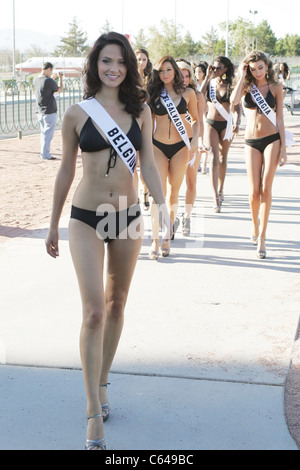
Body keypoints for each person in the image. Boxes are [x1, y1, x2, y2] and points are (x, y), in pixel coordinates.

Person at [45, 32, 172, 450]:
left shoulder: (141, 110)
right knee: (95, 312)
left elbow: (149, 164)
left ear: (128, 67)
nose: (113, 68)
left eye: (120, 62)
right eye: (105, 61)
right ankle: (92, 412)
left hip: (129, 217)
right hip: (85, 217)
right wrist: (52, 223)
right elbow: (65, 171)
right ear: (94, 65)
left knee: (118, 306)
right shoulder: (78, 114)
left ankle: (102, 381)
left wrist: (163, 207)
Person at [230, 50, 288, 259]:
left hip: (272, 139)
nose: (257, 72)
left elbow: (280, 119)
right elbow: (233, 101)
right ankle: (254, 225)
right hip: (251, 141)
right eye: (252, 69)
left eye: (260, 68)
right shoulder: (246, 87)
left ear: (267, 66)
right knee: (254, 191)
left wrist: (283, 148)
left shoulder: (275, 88)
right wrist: (241, 74)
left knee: (266, 187)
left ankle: (262, 236)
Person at [147, 55, 199, 258]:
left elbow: (196, 120)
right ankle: (154, 240)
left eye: (168, 70)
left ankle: (167, 237)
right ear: (157, 74)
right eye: (161, 71)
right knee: (156, 193)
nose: (165, 74)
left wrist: (195, 139)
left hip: (180, 147)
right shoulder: (152, 94)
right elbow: (147, 122)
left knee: (173, 193)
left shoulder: (188, 93)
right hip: (157, 146)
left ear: (175, 71)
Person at [201, 56, 241, 212]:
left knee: (223, 156)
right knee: (213, 157)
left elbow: (236, 107)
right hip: (211, 123)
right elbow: (200, 94)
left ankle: (221, 189)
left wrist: (237, 123)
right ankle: (214, 197)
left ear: (226, 68)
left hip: (226, 124)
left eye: (218, 67)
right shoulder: (210, 83)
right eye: (214, 67)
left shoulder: (232, 85)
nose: (215, 70)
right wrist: (207, 76)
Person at [176, 60, 204, 236]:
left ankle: (187, 216)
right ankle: (171, 215)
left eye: (188, 75)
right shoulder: (167, 94)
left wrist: (198, 142)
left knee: (191, 181)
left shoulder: (196, 95)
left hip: (191, 142)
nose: (185, 79)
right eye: (181, 75)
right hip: (173, 144)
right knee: (173, 184)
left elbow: (198, 120)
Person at [135, 48, 153, 210]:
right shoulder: (127, 77)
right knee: (132, 163)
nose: (141, 62)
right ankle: (134, 196)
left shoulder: (151, 79)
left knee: (145, 161)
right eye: (138, 59)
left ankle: (145, 191)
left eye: (144, 59)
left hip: (147, 122)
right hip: (131, 122)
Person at [33, 62, 63, 160]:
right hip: (49, 111)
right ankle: (45, 154)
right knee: (48, 134)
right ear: (48, 69)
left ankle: (44, 152)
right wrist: (61, 78)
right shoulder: (48, 81)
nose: (51, 73)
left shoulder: (36, 79)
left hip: (40, 111)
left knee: (44, 133)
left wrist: (52, 79)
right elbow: (59, 89)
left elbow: (45, 86)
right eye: (51, 71)